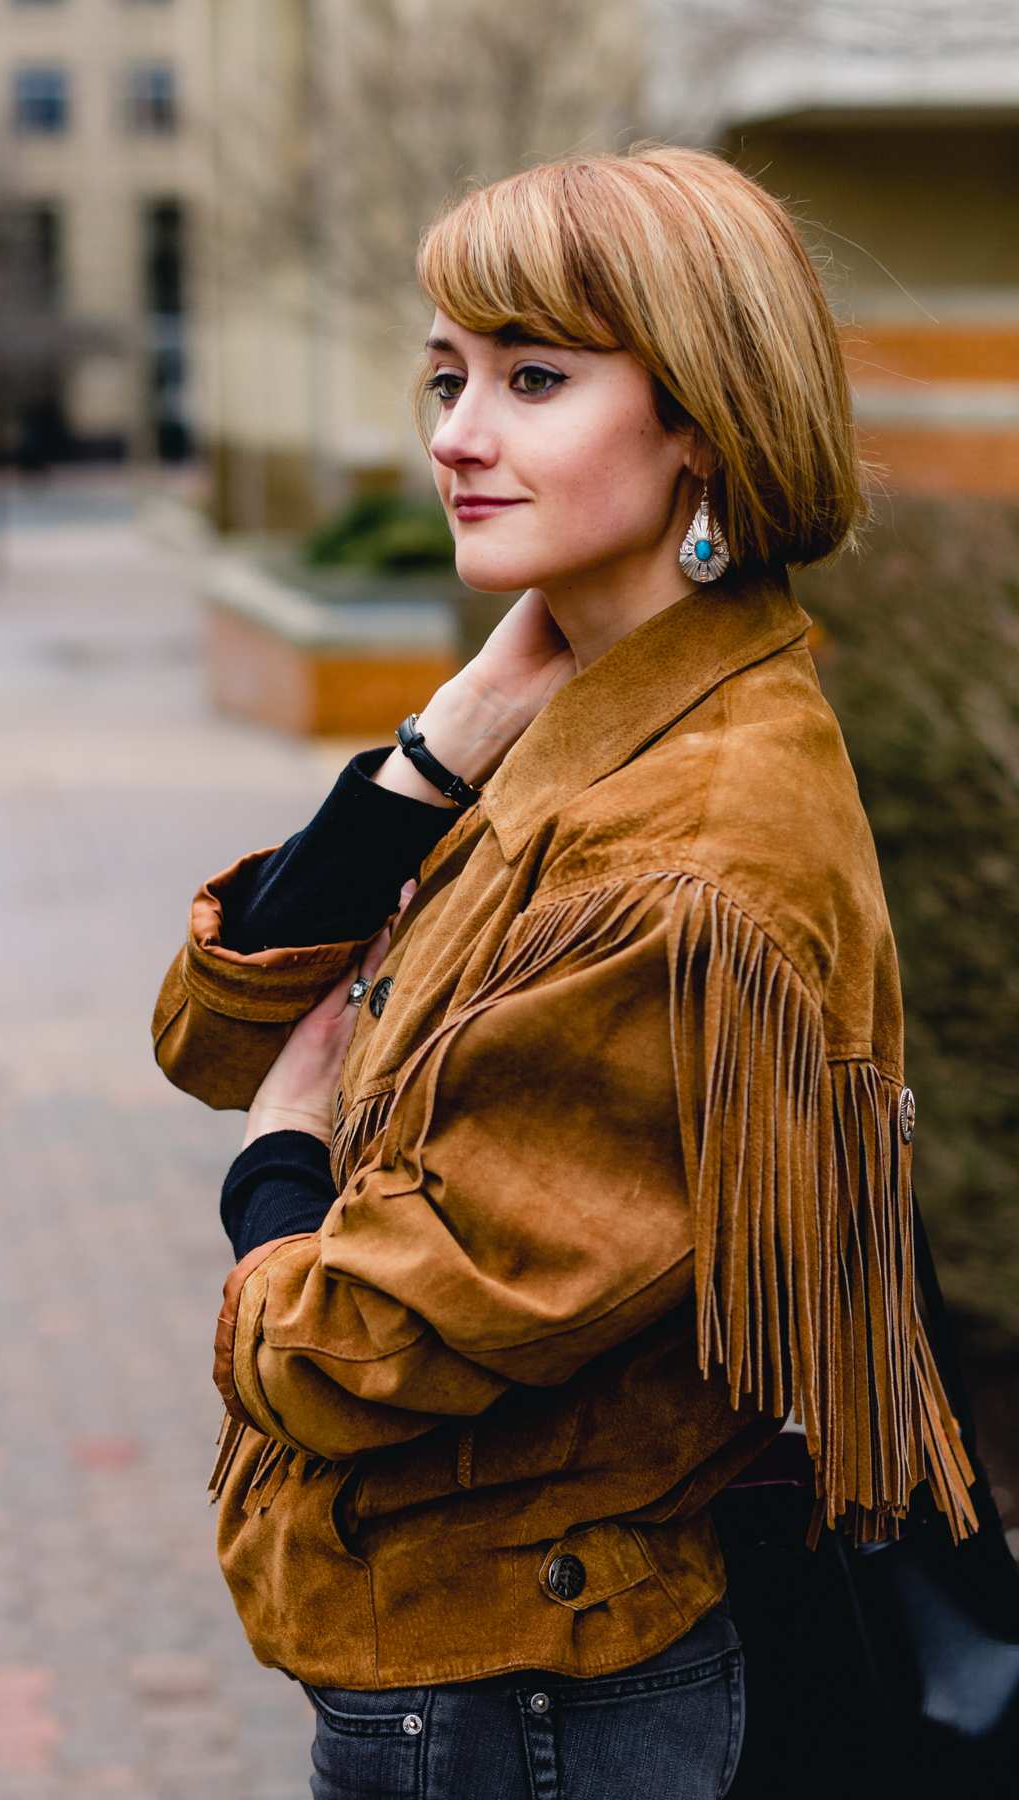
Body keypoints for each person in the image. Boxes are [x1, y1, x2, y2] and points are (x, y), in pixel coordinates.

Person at [153, 148, 975, 1800]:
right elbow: (212, 1027)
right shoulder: (593, 725)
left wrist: (279, 1173)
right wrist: (442, 741)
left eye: (535, 378)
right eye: (449, 376)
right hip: (492, 1655)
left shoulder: (687, 848)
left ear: (703, 420)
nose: (458, 433)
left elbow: (351, 1346)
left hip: (537, 1692)